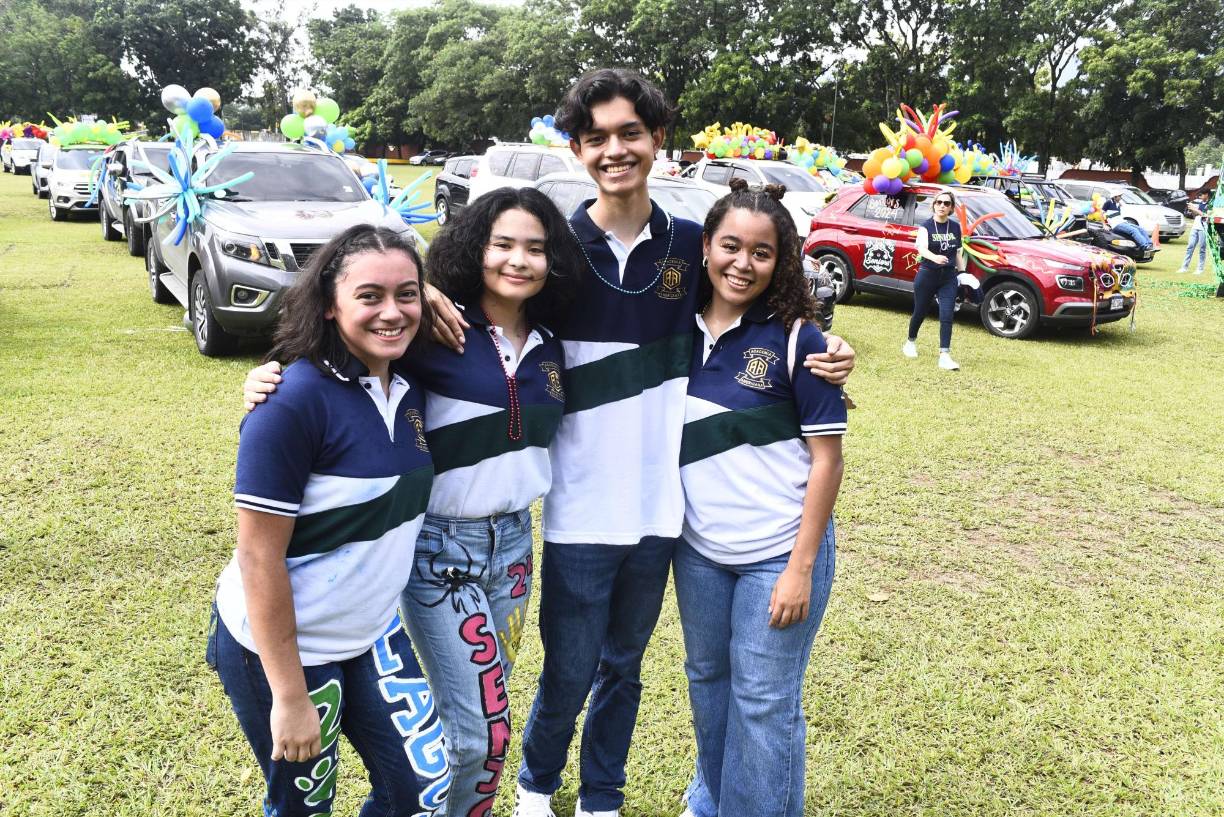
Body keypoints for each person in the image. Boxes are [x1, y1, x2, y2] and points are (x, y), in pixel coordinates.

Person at [418, 70, 855, 817]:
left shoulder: (694, 246)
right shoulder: (555, 246)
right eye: (597, 138)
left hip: (664, 514)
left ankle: (602, 798)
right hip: (579, 507)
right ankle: (535, 785)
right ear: (577, 149)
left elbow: (762, 300)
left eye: (630, 133)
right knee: (570, 667)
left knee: (627, 668)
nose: (615, 150)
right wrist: (428, 290)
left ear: (658, 139)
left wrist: (831, 346)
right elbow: (482, 284)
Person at [243, 188, 582, 817]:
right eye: (502, 244)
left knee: (487, 717)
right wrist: (267, 372)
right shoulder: (433, 331)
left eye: (536, 248)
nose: (518, 260)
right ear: (474, 249)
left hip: (512, 544)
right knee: (478, 733)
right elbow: (342, 344)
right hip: (438, 547)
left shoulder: (552, 343)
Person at [211, 225, 452, 817]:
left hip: (371, 632)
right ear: (328, 303)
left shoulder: (414, 385)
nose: (391, 312)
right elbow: (258, 556)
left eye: (407, 294)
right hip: (288, 649)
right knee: (304, 808)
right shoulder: (292, 401)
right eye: (369, 296)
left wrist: (436, 292)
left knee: (423, 790)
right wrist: (290, 695)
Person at [675, 178, 845, 817]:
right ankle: (714, 799)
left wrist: (801, 567)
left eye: (762, 252)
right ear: (705, 249)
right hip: (698, 553)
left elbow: (828, 460)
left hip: (779, 554)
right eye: (730, 246)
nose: (742, 264)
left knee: (764, 701)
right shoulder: (674, 333)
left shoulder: (801, 342)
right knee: (708, 685)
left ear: (782, 262)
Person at [903, 191, 964, 370]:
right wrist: (935, 257)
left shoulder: (955, 227)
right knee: (920, 312)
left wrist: (963, 273)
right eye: (939, 202)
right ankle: (910, 342)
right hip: (928, 274)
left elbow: (958, 252)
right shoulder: (926, 227)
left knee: (947, 314)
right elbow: (921, 248)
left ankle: (944, 355)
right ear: (934, 205)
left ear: (951, 207)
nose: (942, 206)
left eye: (946, 203)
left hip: (948, 277)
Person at [1179, 191, 1209, 275]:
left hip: (1203, 228)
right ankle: (1184, 267)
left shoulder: (1209, 204)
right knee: (1190, 247)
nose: (1200, 196)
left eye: (1202, 194)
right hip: (1195, 227)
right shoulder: (1200, 203)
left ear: (1207, 194)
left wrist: (1195, 209)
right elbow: (1196, 216)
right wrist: (1192, 210)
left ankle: (1200, 269)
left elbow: (1206, 216)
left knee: (1202, 249)